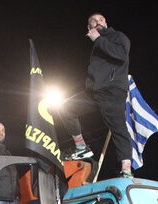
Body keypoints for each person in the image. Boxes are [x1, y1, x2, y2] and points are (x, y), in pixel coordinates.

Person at [60, 13, 134, 178]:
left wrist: (98, 40)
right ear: (89, 27)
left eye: (101, 20)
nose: (97, 22)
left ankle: (127, 170)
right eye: (93, 21)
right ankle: (81, 148)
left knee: (118, 129)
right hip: (94, 92)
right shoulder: (97, 45)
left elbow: (121, 56)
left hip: (112, 91)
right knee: (66, 108)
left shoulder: (117, 37)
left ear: (106, 23)